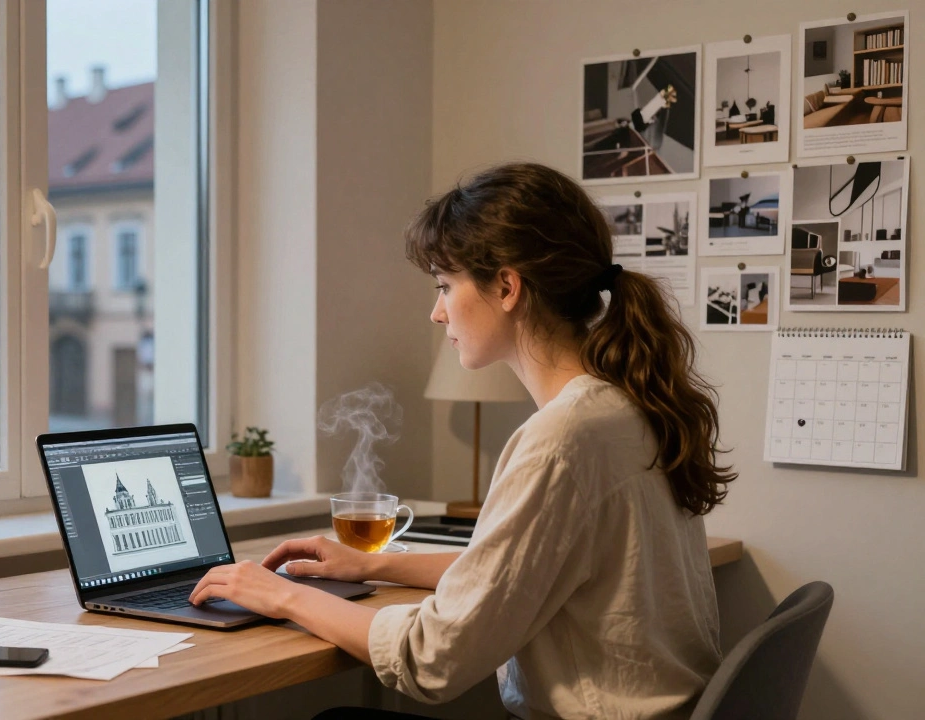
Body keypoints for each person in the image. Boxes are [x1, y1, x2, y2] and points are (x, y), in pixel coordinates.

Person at [189, 162, 736, 719]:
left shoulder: (561, 440)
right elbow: (513, 574)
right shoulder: (624, 407)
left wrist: (280, 595)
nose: (436, 311)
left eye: (446, 286)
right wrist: (371, 565)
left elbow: (431, 660)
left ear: (507, 286)